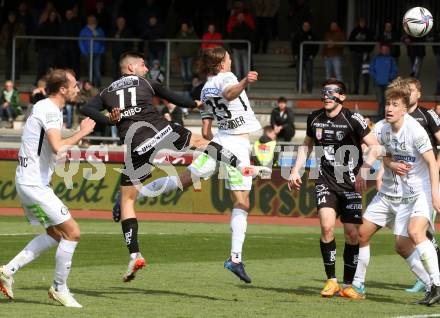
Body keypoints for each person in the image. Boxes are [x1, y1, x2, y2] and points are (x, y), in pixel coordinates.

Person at [81, 51, 269, 282]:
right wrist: (240, 84)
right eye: (142, 64)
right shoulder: (221, 78)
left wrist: (108, 120)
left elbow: (87, 110)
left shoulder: (106, 91)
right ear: (131, 68)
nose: (146, 68)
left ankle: (134, 248)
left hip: (136, 143)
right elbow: (200, 97)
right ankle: (235, 256)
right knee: (235, 192)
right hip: (181, 133)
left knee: (175, 181)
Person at [0, 69, 96, 307]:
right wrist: (82, 132)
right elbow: (56, 145)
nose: (77, 88)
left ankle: (7, 271)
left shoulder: (45, 107)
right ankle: (59, 288)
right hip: (33, 184)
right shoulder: (50, 110)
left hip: (31, 182)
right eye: (74, 85)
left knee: (55, 235)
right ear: (62, 89)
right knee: (72, 233)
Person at [346, 78, 440, 306]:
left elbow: (431, 162)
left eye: (395, 104)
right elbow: (374, 149)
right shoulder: (381, 128)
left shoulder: (415, 130)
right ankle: (358, 284)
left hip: (420, 191)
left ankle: (436, 284)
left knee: (416, 233)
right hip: (390, 194)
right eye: (388, 103)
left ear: (405, 109)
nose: (389, 108)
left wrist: (436, 194)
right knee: (367, 236)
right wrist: (368, 168)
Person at [288, 78, 380, 298]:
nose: (326, 96)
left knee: (352, 235)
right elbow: (306, 146)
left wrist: (364, 169)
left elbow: (376, 146)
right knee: (327, 227)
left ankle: (348, 285)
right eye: (324, 92)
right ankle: (331, 281)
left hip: (350, 184)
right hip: (325, 181)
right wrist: (295, 170)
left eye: (332, 93)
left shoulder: (353, 119)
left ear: (342, 97)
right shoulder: (315, 118)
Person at [369, 43, 398, 120]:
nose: (385, 51)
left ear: (388, 50)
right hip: (378, 84)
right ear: (381, 50)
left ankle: (387, 118)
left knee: (387, 101)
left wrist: (390, 79)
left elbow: (394, 71)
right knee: (380, 101)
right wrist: (376, 78)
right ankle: (380, 118)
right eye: (383, 49)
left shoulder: (391, 59)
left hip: (388, 84)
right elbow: (371, 70)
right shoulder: (376, 59)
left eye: (386, 49)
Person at [291, 21, 319, 93]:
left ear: (309, 27)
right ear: (302, 26)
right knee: (299, 75)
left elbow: (316, 46)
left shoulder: (312, 35)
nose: (305, 27)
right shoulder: (298, 34)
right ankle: (299, 89)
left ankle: (309, 89)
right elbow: (294, 45)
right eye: (304, 26)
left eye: (307, 26)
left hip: (308, 58)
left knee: (309, 74)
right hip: (299, 58)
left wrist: (313, 55)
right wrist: (295, 54)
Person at [348, 17, 374, 95]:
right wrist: (353, 50)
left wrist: (368, 51)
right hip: (356, 54)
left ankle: (365, 91)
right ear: (359, 23)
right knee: (356, 73)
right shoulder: (355, 31)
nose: (362, 23)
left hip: (365, 55)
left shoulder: (368, 31)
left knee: (365, 73)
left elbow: (372, 42)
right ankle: (356, 90)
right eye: (361, 22)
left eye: (363, 22)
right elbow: (350, 41)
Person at [79, 15, 106, 88]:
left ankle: (98, 84)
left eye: (93, 19)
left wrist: (101, 51)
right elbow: (81, 42)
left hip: (97, 53)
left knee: (97, 70)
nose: (92, 21)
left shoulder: (99, 30)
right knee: (90, 69)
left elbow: (103, 41)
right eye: (90, 19)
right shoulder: (84, 30)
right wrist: (84, 52)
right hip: (88, 53)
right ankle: (91, 84)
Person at [0, 11, 26, 80]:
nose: (11, 18)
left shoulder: (19, 25)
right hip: (8, 47)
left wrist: (18, 43)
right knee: (8, 64)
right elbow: (2, 36)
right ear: (8, 18)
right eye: (10, 17)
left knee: (16, 64)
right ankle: (7, 79)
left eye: (13, 17)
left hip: (16, 47)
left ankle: (17, 79)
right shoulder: (5, 26)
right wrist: (3, 43)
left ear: (15, 17)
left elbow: (22, 36)